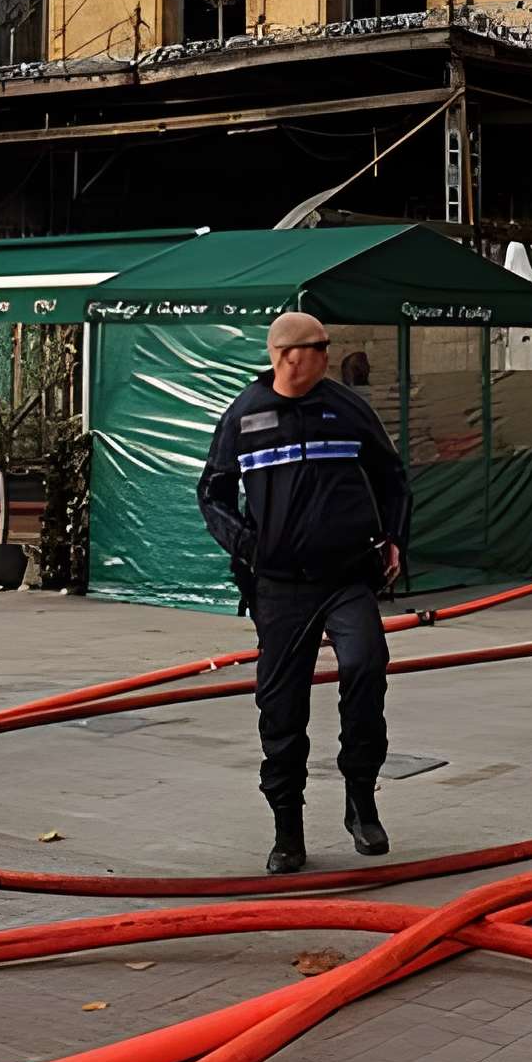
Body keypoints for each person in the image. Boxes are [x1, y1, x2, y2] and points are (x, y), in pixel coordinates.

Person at [197, 312, 410, 876]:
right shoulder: (245, 416)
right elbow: (212, 493)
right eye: (320, 346)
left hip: (347, 577)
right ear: (291, 354)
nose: (327, 354)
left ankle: (360, 800)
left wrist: (393, 538)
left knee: (366, 665)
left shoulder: (346, 408)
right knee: (282, 707)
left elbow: (392, 475)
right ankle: (286, 828)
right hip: (281, 588)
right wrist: (248, 545)